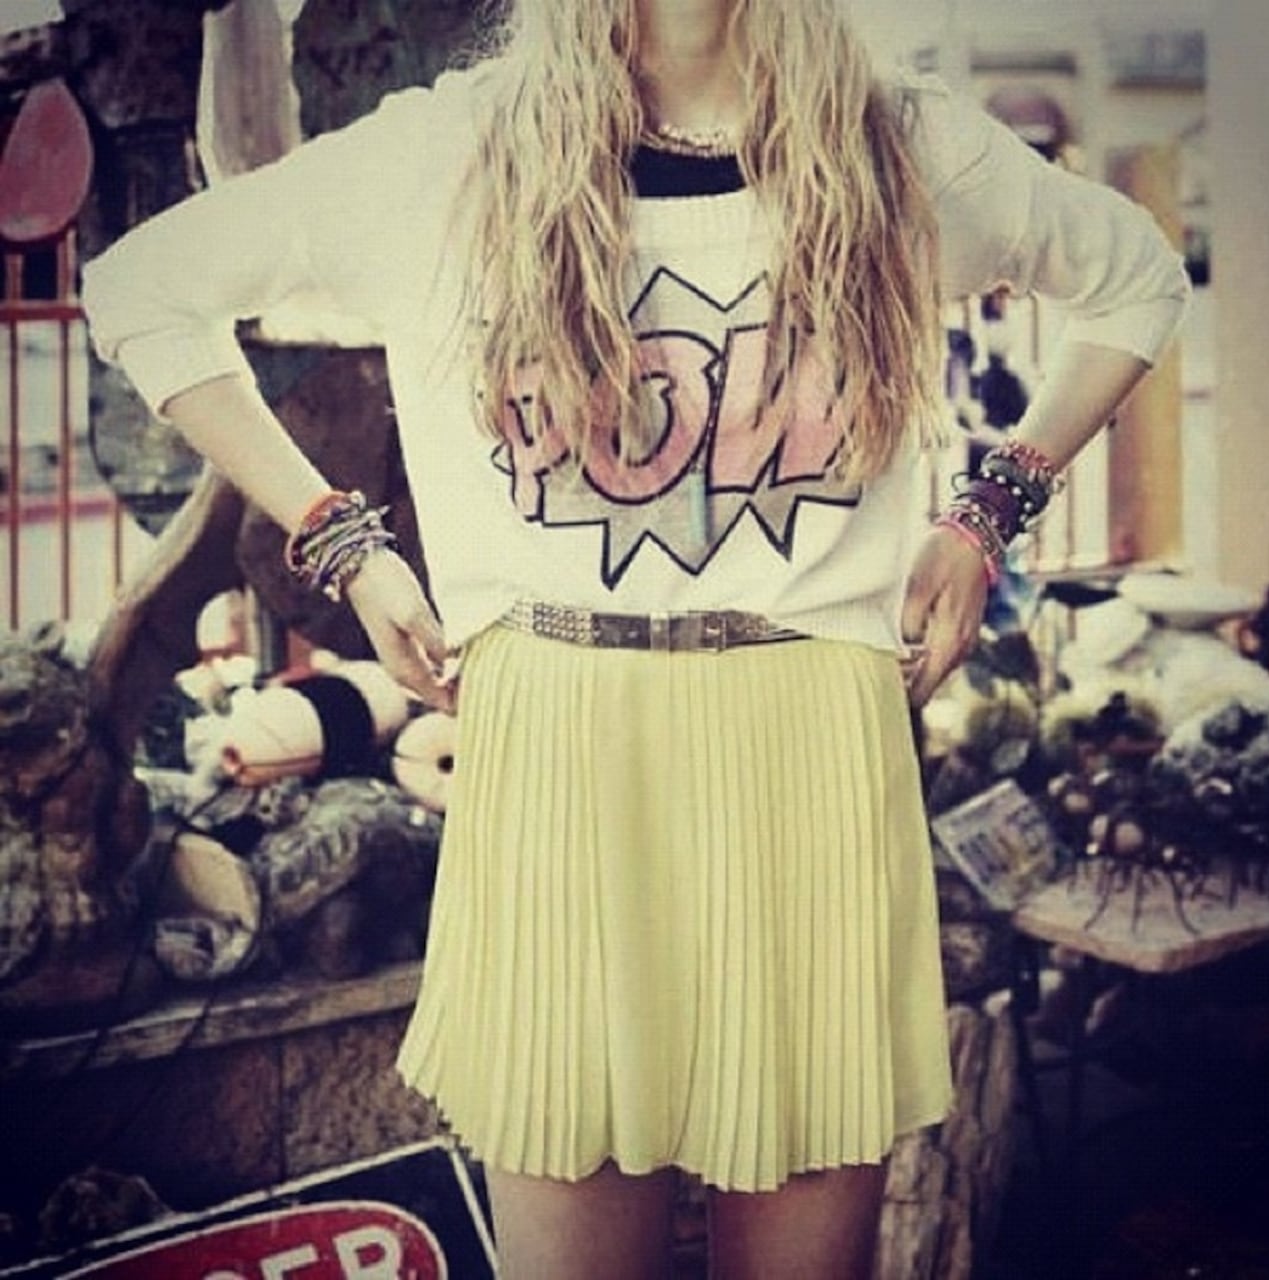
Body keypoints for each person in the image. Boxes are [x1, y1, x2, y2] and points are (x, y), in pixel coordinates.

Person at [82, 2, 1190, 1276]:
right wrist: (341, 537)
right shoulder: (450, 151)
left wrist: (983, 516)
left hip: (807, 749)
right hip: (560, 752)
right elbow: (144, 290)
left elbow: (1132, 276)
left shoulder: (892, 140)